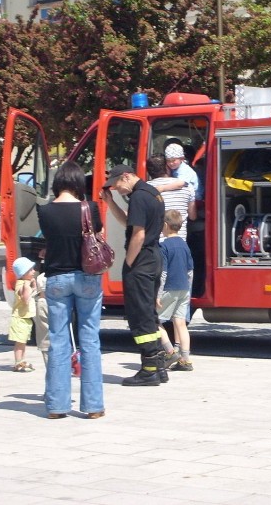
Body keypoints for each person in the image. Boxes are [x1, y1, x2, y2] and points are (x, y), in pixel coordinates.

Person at [37, 160, 105, 418]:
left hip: (56, 278)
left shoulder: (44, 211)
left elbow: (49, 239)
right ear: (78, 182)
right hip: (87, 277)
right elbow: (96, 235)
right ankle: (93, 406)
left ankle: (57, 406)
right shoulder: (91, 208)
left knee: (58, 340)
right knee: (89, 339)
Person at [101, 164, 167, 386]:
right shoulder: (152, 193)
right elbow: (129, 222)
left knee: (140, 316)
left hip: (142, 261)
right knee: (149, 312)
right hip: (154, 257)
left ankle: (149, 369)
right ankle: (158, 366)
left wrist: (128, 264)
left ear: (127, 176)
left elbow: (137, 235)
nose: (117, 188)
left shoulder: (139, 197)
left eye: (117, 184)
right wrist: (110, 202)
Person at [156, 210, 194, 372]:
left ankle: (170, 352)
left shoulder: (163, 246)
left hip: (169, 288)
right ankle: (185, 360)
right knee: (180, 323)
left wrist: (157, 295)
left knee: (154, 321)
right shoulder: (184, 245)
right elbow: (190, 271)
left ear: (165, 225)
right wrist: (188, 289)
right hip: (184, 288)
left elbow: (163, 273)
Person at [147, 154, 195, 240]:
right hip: (179, 243)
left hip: (154, 246)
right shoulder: (186, 186)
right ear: (167, 167)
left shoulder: (144, 189)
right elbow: (193, 216)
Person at [9, 257, 37, 373]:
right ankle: (18, 362)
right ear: (24, 273)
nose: (34, 272)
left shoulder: (25, 282)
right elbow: (25, 299)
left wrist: (32, 285)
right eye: (31, 270)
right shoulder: (21, 285)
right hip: (19, 318)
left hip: (25, 318)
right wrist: (27, 286)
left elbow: (33, 292)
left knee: (23, 342)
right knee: (20, 343)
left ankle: (22, 360)